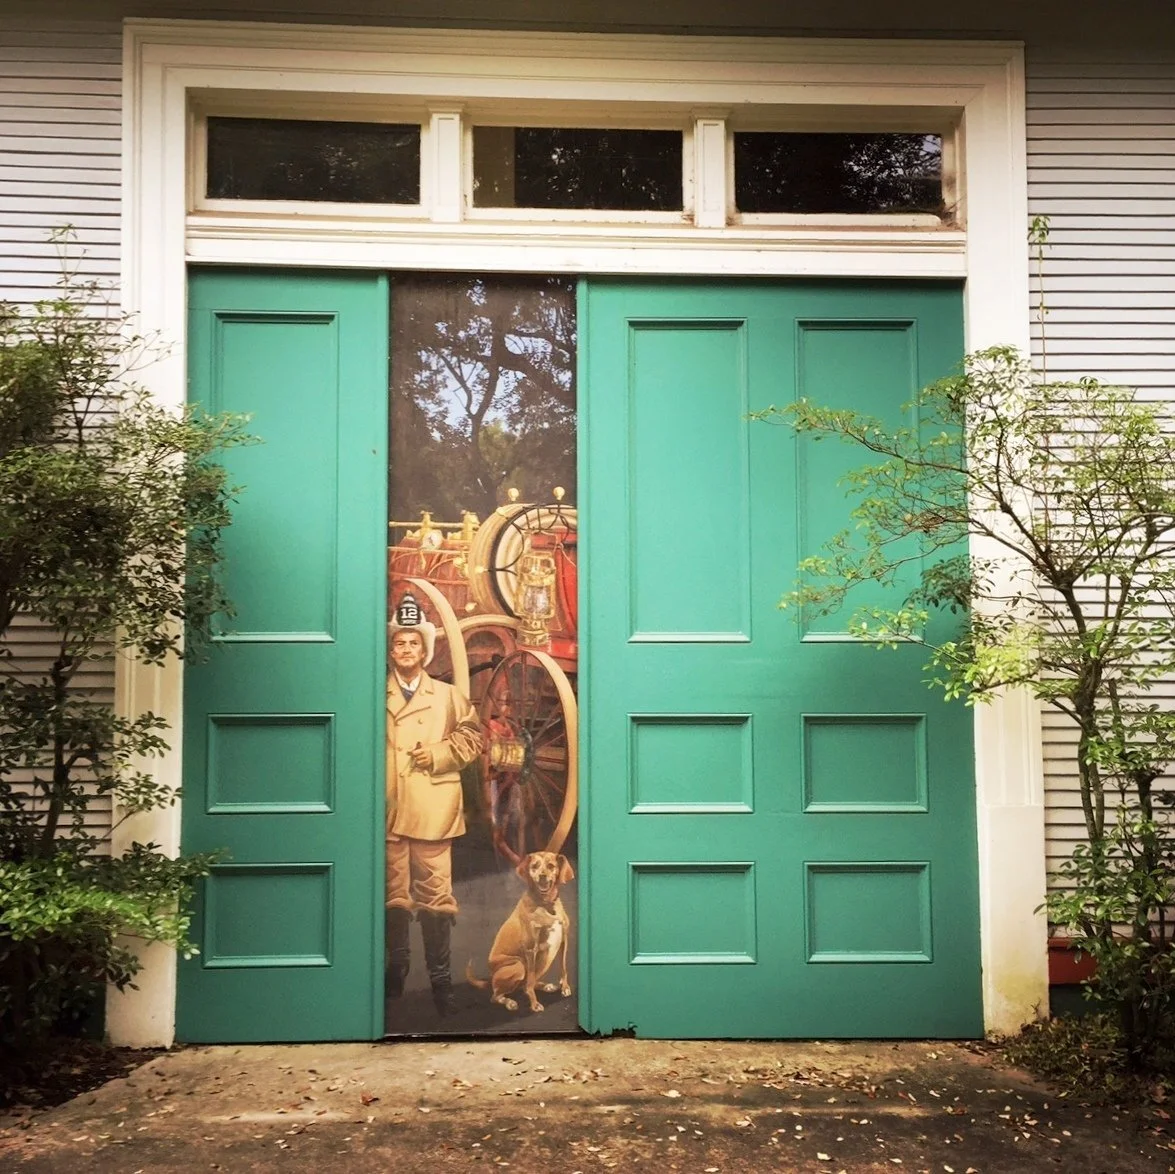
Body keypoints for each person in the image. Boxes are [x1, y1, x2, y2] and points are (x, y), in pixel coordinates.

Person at [385, 593, 483, 1015]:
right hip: (388, 808)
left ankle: (441, 982)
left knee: (436, 897)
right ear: (392, 650)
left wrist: (440, 753)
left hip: (432, 808)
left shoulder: (447, 696)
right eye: (399, 643)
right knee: (392, 894)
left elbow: (473, 737)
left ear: (425, 650)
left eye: (413, 643)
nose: (406, 650)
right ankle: (396, 970)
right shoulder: (374, 693)